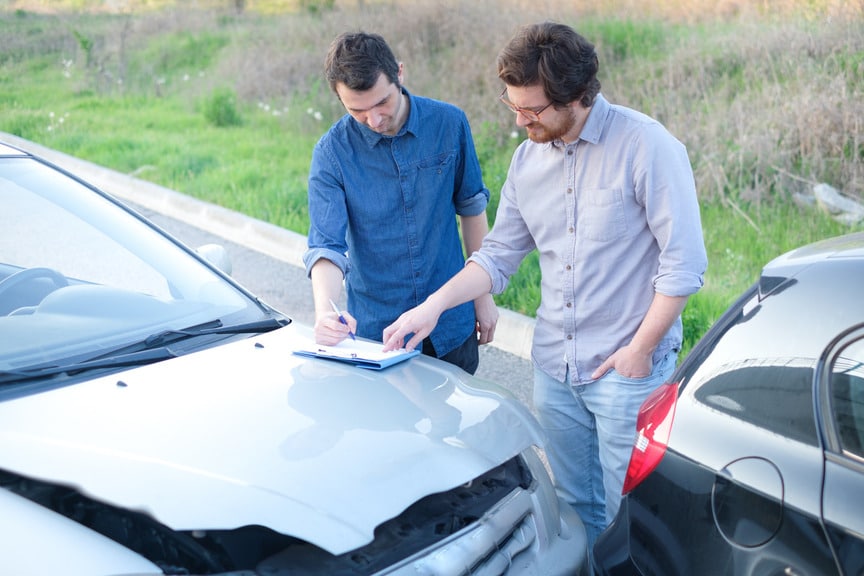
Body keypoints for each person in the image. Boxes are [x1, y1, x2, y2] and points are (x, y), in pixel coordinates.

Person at [382, 22, 707, 545]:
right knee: (575, 510)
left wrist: (640, 351)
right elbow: (499, 255)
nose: (519, 121)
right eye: (512, 106)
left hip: (627, 371)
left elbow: (684, 264)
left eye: (532, 111)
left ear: (577, 98)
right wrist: (433, 307)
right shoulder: (526, 159)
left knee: (631, 516)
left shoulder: (646, 146)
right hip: (555, 369)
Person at [303, 31, 498, 375]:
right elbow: (326, 247)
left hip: (452, 322)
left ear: (400, 74)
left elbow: (471, 209)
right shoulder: (331, 153)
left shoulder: (449, 123)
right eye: (357, 110)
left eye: (382, 103)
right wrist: (325, 313)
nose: (374, 120)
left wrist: (483, 296)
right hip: (378, 334)